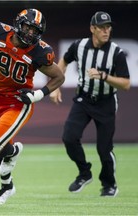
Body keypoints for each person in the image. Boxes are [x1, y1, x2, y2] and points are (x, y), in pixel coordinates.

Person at [0, 8, 64, 204]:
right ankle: (6, 187)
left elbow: (58, 76)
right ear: (18, 23)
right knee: (0, 147)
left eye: (35, 31)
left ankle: (14, 152)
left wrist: (38, 94)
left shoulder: (40, 51)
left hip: (19, 102)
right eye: (28, 27)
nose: (30, 33)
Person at [50, 11, 130, 197]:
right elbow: (64, 60)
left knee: (104, 148)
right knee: (69, 137)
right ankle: (84, 173)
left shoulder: (116, 52)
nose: (106, 31)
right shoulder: (80, 46)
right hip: (84, 99)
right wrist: (55, 86)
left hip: (106, 102)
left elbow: (125, 84)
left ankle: (109, 184)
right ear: (92, 28)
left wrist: (104, 76)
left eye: (108, 27)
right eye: (101, 27)